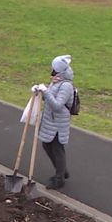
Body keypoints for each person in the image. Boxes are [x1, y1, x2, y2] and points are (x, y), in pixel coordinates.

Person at [31, 55, 74, 189]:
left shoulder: (66, 86)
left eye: (53, 67)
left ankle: (59, 178)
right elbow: (50, 99)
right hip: (50, 120)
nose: (51, 69)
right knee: (47, 145)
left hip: (58, 123)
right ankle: (62, 171)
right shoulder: (57, 81)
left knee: (57, 148)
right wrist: (40, 91)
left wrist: (46, 91)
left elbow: (57, 105)